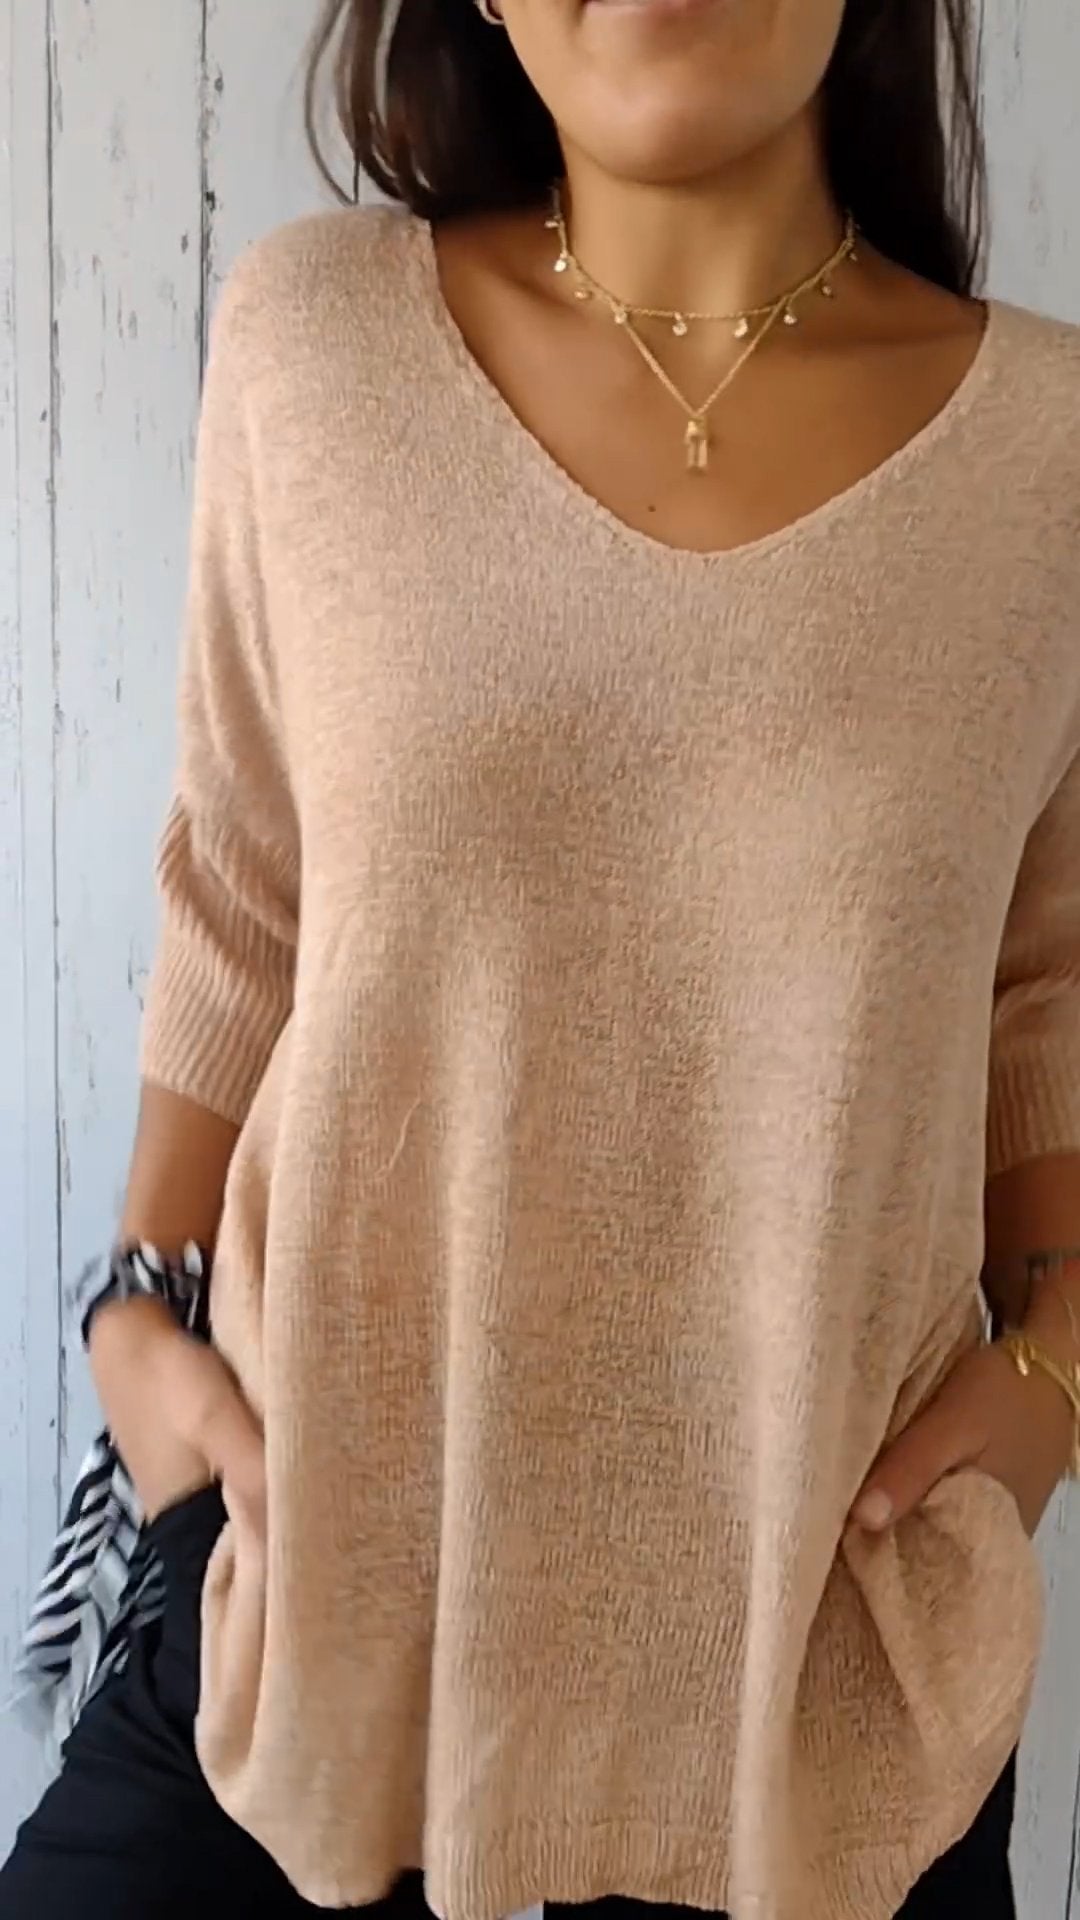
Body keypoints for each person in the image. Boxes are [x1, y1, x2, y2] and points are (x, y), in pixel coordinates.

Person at [3, 0, 1079, 1914]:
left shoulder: (1051, 457)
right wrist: (138, 1328)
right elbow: (241, 886)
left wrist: (1052, 1385)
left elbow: (1045, 991)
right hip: (308, 1632)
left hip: (821, 1695)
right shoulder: (315, 345)